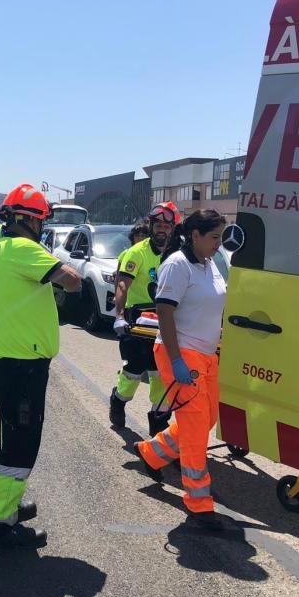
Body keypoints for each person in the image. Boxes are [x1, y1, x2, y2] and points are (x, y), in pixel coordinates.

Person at [0, 184, 81, 550]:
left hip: (15, 361)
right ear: (27, 220)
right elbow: (71, 280)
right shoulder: (24, 249)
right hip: (20, 366)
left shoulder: (6, 249)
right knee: (20, 445)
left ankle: (3, 506)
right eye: (40, 221)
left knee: (13, 439)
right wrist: (61, 262)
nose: (43, 228)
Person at [134, 209, 228, 530]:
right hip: (181, 352)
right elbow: (164, 312)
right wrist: (176, 361)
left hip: (206, 354)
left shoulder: (209, 263)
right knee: (195, 426)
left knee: (207, 417)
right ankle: (198, 502)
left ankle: (152, 453)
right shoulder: (178, 264)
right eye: (214, 237)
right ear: (196, 236)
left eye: (221, 237)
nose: (219, 243)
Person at [108, 203, 181, 437]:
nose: (161, 230)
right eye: (157, 225)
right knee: (134, 371)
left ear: (173, 229)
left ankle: (158, 420)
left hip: (165, 318)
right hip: (138, 319)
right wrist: (119, 316)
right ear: (151, 226)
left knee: (161, 373)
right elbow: (122, 284)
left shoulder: (178, 255)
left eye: (166, 226)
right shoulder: (136, 252)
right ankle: (118, 400)